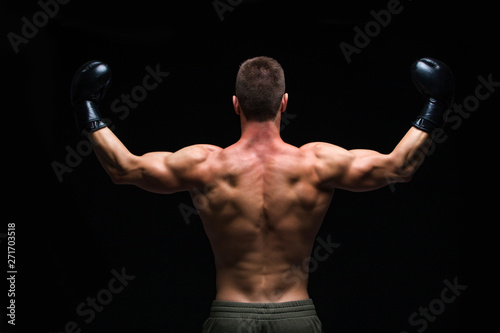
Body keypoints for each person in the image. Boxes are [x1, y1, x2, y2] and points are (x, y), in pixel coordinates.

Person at [71, 56, 454, 332]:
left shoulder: (206, 164)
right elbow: (398, 167)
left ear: (235, 104)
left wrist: (87, 109)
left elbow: (123, 168)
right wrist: (434, 105)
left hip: (230, 316)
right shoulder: (316, 162)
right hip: (296, 317)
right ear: (284, 103)